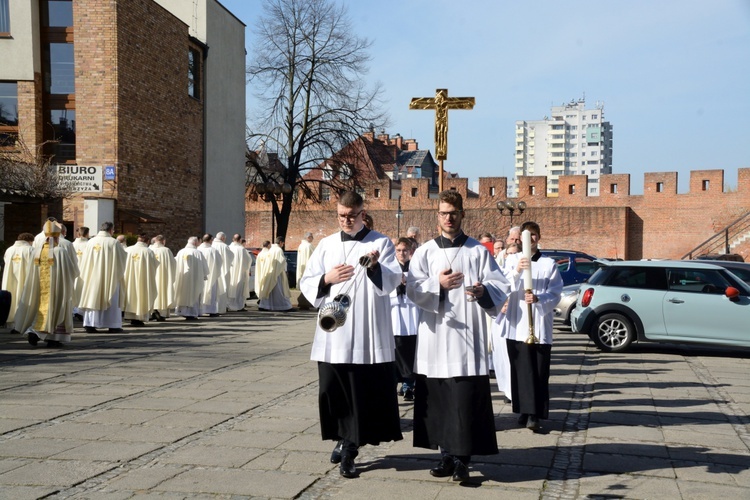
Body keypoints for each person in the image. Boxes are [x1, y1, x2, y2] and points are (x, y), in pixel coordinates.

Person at [406, 190, 510, 483]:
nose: (448, 218)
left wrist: (483, 291)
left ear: (462, 214)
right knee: (439, 401)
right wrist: (436, 284)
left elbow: (499, 283)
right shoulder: (426, 251)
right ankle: (446, 455)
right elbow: (412, 289)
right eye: (443, 213)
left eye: (453, 213)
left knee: (464, 400)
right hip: (436, 337)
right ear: (437, 216)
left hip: (469, 341)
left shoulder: (477, 251)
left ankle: (463, 459)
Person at [299, 191, 403, 479]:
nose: (346, 220)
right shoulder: (327, 244)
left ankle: (350, 449)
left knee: (360, 392)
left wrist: (375, 268)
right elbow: (308, 280)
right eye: (341, 215)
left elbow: (393, 280)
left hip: (365, 331)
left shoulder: (379, 242)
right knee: (331, 388)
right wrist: (326, 279)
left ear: (362, 212)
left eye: (352, 215)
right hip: (334, 332)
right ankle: (340, 436)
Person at [496, 221, 563, 432]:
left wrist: (539, 298)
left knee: (537, 370)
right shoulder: (512, 260)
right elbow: (501, 286)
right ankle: (523, 409)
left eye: (534, 235)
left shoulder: (548, 264)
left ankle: (535, 413)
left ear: (538, 237)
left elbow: (556, 292)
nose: (531, 239)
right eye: (527, 235)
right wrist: (516, 271)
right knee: (520, 370)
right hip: (517, 324)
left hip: (538, 325)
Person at [15, 221, 79, 347]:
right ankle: (52, 338)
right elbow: (72, 271)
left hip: (39, 289)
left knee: (41, 310)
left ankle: (34, 331)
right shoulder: (60, 251)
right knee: (56, 309)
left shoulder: (36, 252)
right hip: (57, 288)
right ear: (57, 237)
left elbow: (31, 272)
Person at [78, 222, 127, 333]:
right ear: (111, 230)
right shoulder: (114, 243)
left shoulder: (91, 242)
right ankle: (112, 325)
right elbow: (122, 259)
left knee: (92, 298)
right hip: (110, 277)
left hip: (92, 277)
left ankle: (90, 324)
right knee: (111, 298)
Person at [490, 241, 520, 401]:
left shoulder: (523, 271)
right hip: (500, 319)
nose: (512, 256)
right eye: (509, 253)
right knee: (502, 357)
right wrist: (499, 304)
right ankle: (508, 389)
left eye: (516, 253)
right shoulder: (498, 270)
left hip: (517, 320)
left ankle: (516, 389)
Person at [391, 237, 419, 401]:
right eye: (399, 250)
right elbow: (384, 292)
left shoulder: (415, 269)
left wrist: (407, 285)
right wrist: (397, 287)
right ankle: (394, 383)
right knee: (396, 352)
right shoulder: (389, 269)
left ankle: (409, 385)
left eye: (405, 250)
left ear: (410, 252)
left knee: (411, 351)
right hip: (395, 316)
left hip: (411, 315)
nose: (402, 253)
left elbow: (420, 290)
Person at [122, 234, 160, 327]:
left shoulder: (128, 250)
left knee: (130, 296)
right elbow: (155, 266)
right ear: (147, 241)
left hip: (129, 280)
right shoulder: (148, 252)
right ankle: (139, 318)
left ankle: (130, 316)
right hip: (143, 280)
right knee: (141, 296)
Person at [2, 233, 35, 333]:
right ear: (29, 241)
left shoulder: (9, 249)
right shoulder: (30, 250)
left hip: (10, 279)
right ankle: (23, 324)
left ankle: (12, 324)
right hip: (24, 279)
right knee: (23, 298)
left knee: (12, 299)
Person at [174, 237, 209, 320]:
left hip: (183, 278)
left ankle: (182, 311)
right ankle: (191, 313)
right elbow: (204, 267)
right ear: (195, 243)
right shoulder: (197, 253)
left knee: (183, 293)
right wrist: (204, 275)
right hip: (194, 279)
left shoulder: (180, 252)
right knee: (194, 294)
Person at [256, 237, 293, 312]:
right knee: (279, 291)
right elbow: (282, 261)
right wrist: (285, 270)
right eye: (283, 243)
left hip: (269, 272)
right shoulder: (279, 250)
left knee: (268, 290)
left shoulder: (271, 249)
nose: (283, 245)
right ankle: (283, 306)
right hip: (278, 273)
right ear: (280, 242)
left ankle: (265, 305)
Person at [150, 234, 176, 321]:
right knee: (163, 292)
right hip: (163, 277)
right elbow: (173, 265)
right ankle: (161, 313)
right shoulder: (166, 251)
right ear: (163, 241)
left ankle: (151, 312)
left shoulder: (150, 249)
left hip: (152, 276)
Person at [198, 234, 223, 317]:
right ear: (210, 240)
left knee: (201, 293)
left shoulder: (198, 249)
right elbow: (219, 263)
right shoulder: (213, 251)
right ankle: (211, 310)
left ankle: (200, 310)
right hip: (211, 275)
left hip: (200, 276)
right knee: (211, 293)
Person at [227, 233, 252, 311]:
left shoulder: (228, 248)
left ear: (232, 239)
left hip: (230, 272)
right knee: (239, 290)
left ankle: (228, 305)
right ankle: (238, 306)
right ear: (240, 240)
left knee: (229, 288)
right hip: (240, 272)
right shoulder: (242, 249)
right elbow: (247, 261)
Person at [212, 231, 234, 313]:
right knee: (222, 288)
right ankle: (221, 308)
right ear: (222, 238)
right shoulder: (224, 246)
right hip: (223, 270)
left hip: (213, 271)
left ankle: (212, 308)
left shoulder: (211, 245)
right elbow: (231, 257)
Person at [72, 226, 90, 320]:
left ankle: (74, 310)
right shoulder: (89, 244)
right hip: (85, 271)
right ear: (87, 234)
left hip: (74, 270)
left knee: (74, 289)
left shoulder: (72, 244)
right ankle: (81, 311)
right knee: (83, 290)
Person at [296, 232, 315, 310]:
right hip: (309, 269)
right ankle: (305, 303)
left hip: (302, 268)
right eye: (312, 237)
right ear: (308, 237)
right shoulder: (309, 246)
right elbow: (314, 257)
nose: (312, 239)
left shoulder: (301, 246)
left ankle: (303, 302)